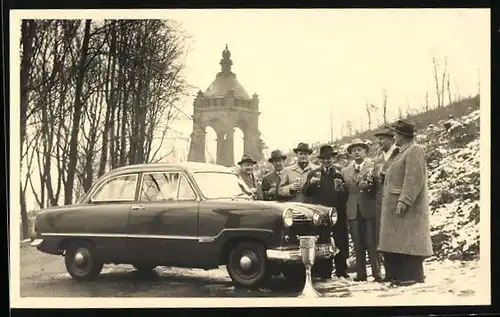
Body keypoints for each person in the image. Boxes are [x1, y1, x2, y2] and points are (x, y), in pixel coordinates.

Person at [378, 119, 433, 287]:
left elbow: (414, 179)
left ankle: (411, 276)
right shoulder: (402, 152)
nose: (393, 137)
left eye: (395, 134)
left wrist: (405, 200)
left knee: (408, 242)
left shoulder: (414, 150)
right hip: (394, 207)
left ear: (403, 135)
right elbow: (400, 175)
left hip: (405, 208)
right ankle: (396, 275)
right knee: (396, 242)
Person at [303, 145, 350, 280]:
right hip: (321, 215)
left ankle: (341, 271)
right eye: (324, 159)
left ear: (333, 158)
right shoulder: (314, 174)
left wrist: (340, 188)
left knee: (339, 242)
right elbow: (306, 193)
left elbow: (346, 195)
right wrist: (311, 184)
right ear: (320, 160)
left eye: (329, 158)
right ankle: (325, 272)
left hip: (337, 214)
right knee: (323, 242)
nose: (326, 161)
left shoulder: (339, 173)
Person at [341, 139, 382, 282]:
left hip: (369, 208)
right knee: (357, 243)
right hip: (353, 210)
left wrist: (370, 186)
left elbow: (379, 186)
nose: (356, 152)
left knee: (372, 242)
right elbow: (344, 191)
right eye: (353, 150)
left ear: (365, 152)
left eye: (359, 149)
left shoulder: (374, 166)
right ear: (351, 154)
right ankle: (361, 274)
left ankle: (377, 273)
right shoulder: (345, 171)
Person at [372, 127, 400, 282]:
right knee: (381, 238)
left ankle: (397, 271)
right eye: (379, 139)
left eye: (382, 138)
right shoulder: (377, 160)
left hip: (394, 202)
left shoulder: (398, 155)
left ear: (391, 139)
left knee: (395, 236)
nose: (379, 142)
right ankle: (387, 272)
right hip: (379, 204)